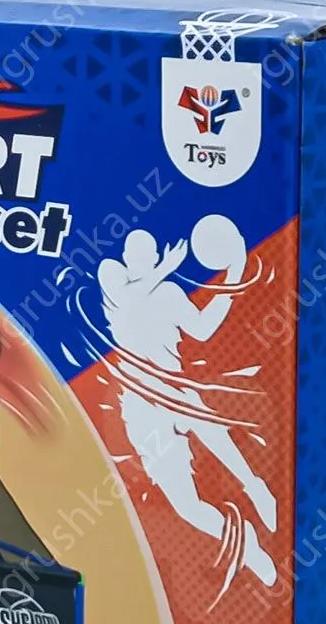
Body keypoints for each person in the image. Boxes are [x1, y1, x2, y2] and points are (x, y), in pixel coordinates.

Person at [98, 227, 277, 587]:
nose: (142, 260)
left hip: (176, 390)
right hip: (141, 408)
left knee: (209, 426)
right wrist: (166, 266)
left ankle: (254, 486)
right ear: (127, 258)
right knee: (186, 507)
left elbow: (203, 329)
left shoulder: (168, 293)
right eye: (136, 255)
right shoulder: (111, 276)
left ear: (153, 256)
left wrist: (233, 278)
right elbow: (130, 301)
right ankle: (250, 549)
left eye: (149, 255)